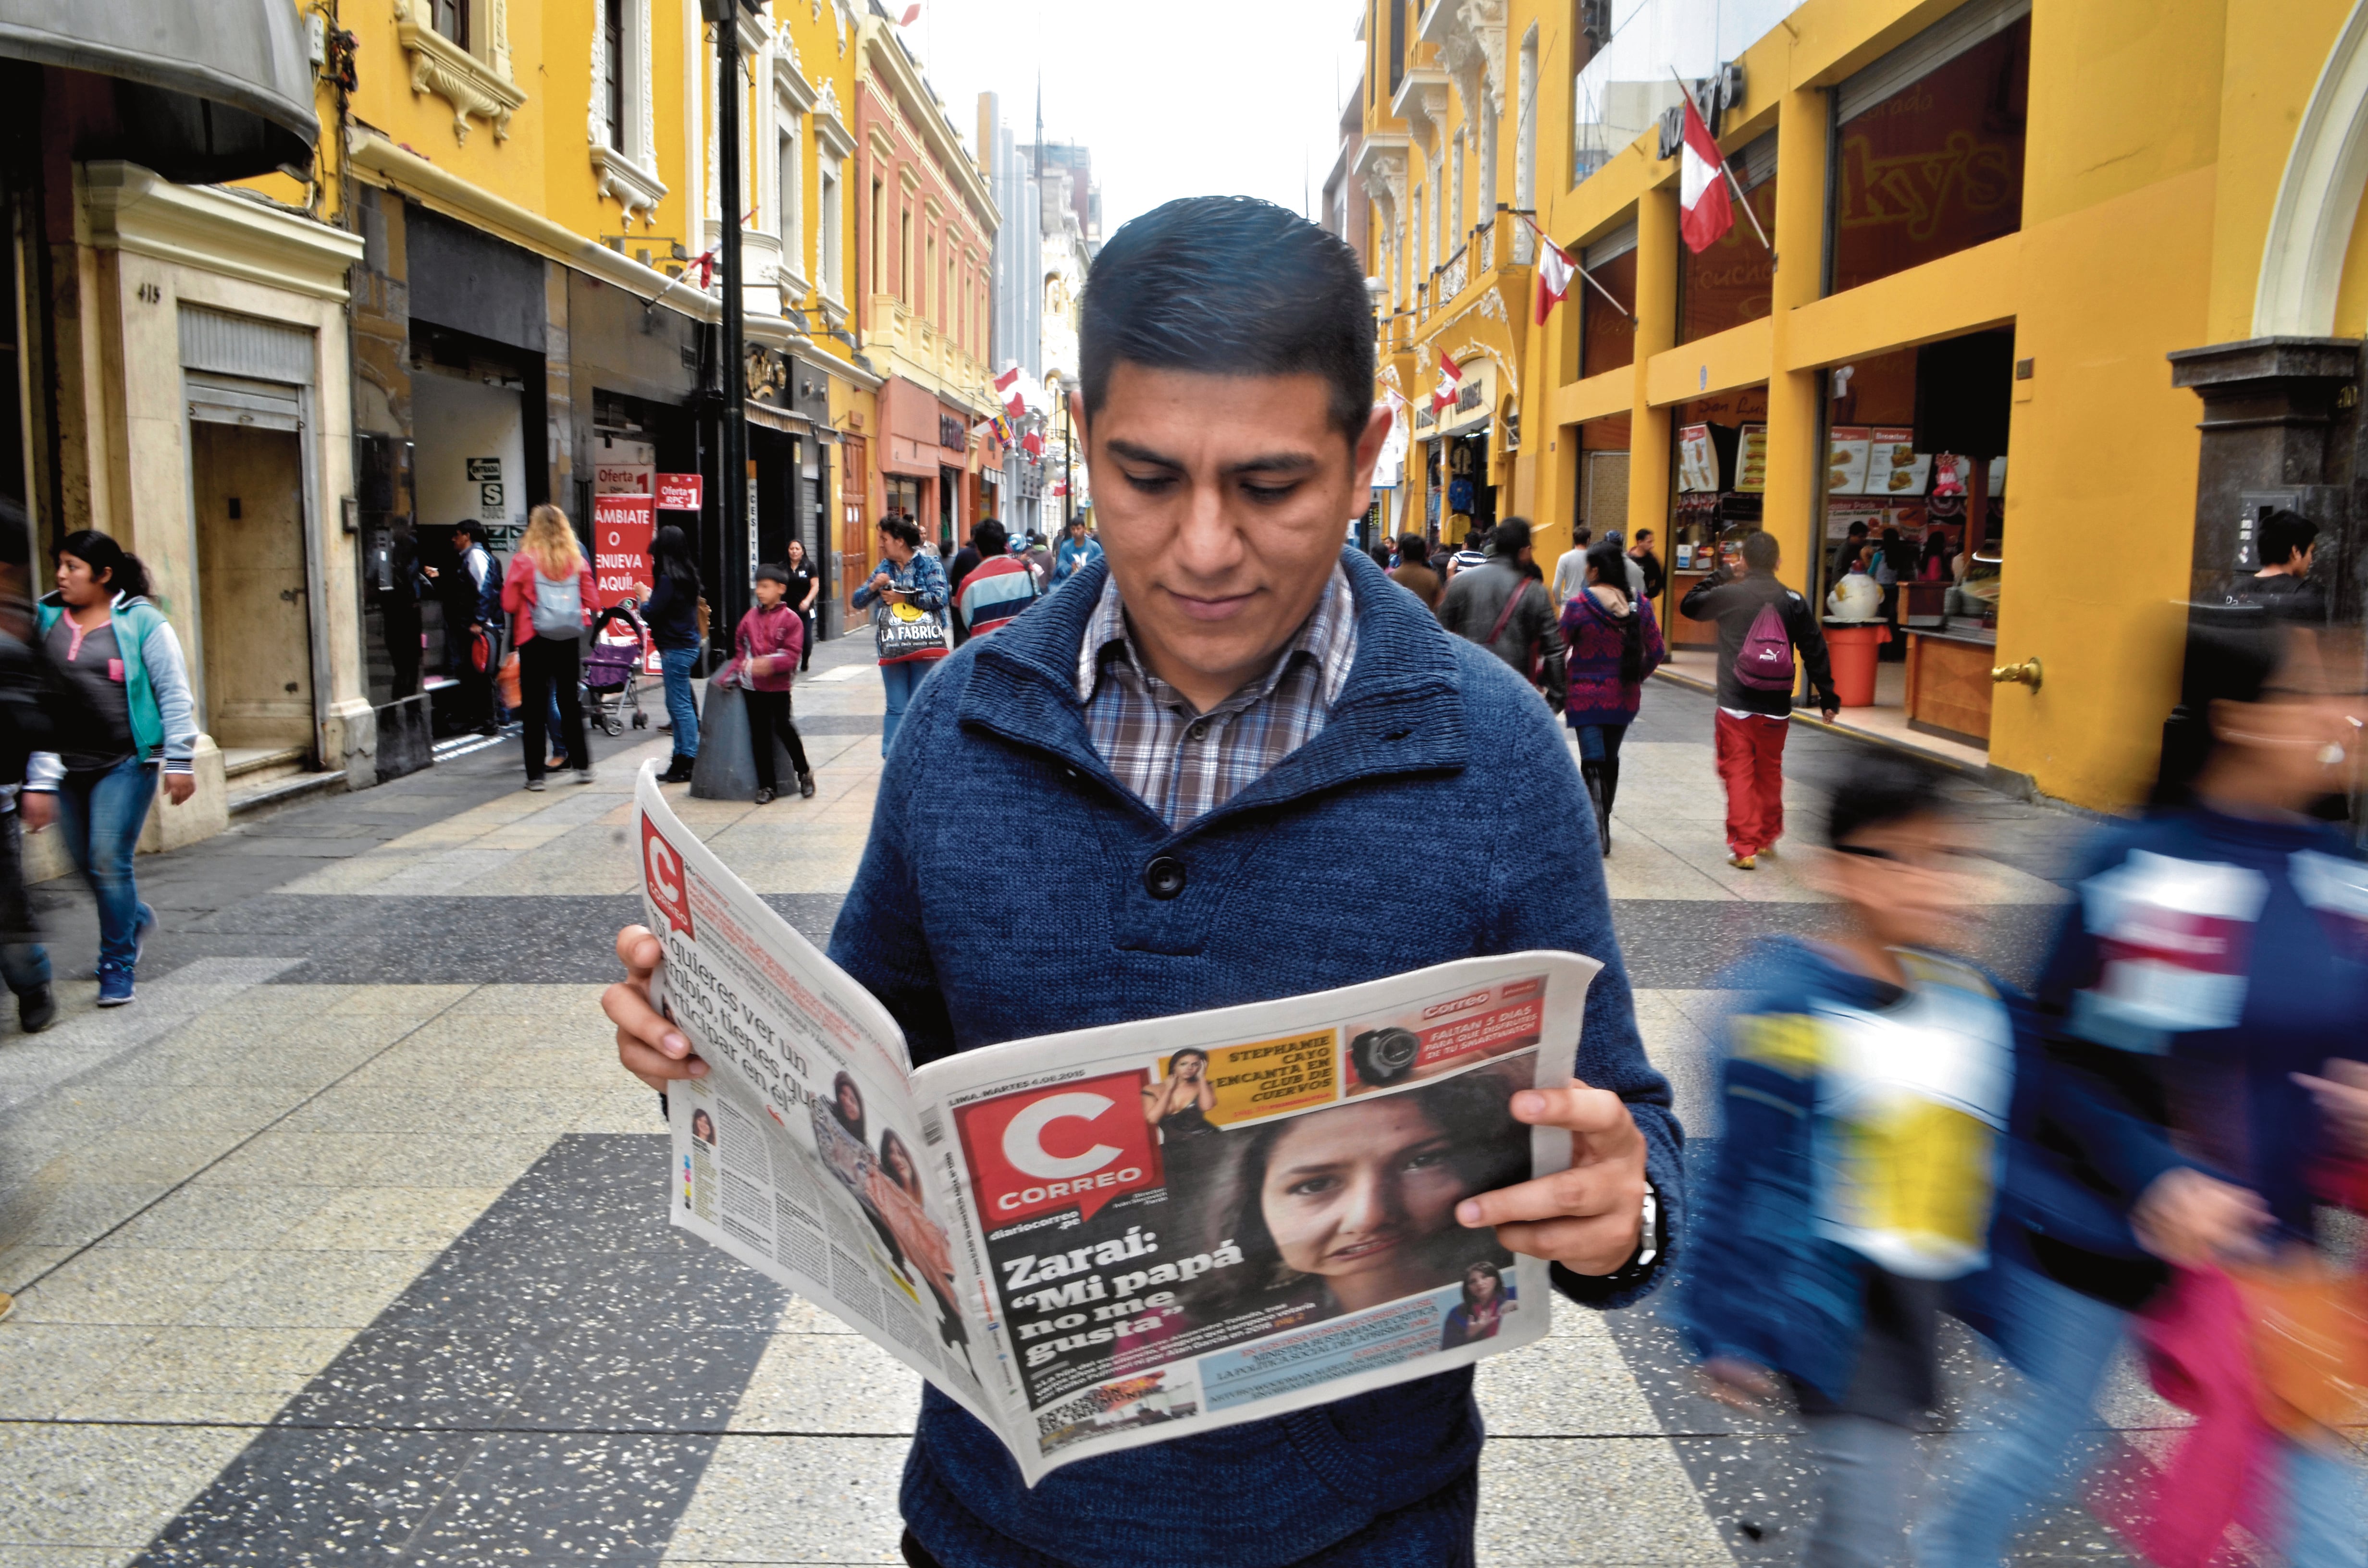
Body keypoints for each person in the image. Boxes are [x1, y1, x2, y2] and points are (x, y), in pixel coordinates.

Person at [606, 194, 1676, 1568]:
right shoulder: (964, 721)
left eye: (1272, 486)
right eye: (1148, 478)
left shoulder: (1496, 753)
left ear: (1366, 459)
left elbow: (1633, 1129)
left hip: (1356, 1535)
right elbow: (874, 1049)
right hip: (998, 1526)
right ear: (1083, 437)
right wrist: (710, 1044)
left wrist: (1624, 1212)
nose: (1206, 547)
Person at [1684, 757, 2134, 1568]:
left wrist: (2123, 1211)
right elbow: (1739, 1171)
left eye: (1952, 858)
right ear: (1840, 869)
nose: (1938, 883)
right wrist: (1723, 1322)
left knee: (2020, 1446)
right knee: (1869, 1507)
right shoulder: (1783, 1007)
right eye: (1907, 858)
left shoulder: (1974, 998)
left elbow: (2027, 1128)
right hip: (1828, 1294)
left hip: (1933, 1279)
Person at [1988, 610, 2367, 1568]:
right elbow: (2053, 1053)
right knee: (2043, 1452)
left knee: (2331, 1528)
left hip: (2269, 1263)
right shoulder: (2142, 867)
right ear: (2238, 717)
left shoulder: (2341, 877)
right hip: (2106, 1238)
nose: (2347, 715)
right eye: (2317, 693)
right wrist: (2153, 1169)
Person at [1174, 1062, 1530, 1329]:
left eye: (1424, 1161)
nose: (1369, 1216)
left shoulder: (1497, 1278)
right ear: (1253, 1207)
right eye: (1315, 1185)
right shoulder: (1171, 1333)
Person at [20, 530, 197, 1008]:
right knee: (84, 867)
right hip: (65, 767)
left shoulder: (143, 622)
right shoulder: (45, 616)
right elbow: (32, 695)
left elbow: (173, 693)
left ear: (103, 575)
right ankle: (134, 918)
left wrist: (180, 761)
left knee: (107, 861)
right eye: (59, 564)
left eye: (72, 567)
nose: (61, 574)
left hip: (123, 761)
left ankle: (116, 964)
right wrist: (35, 774)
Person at [1680, 530, 1840, 870]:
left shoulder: (1730, 595)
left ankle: (1745, 847)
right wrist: (1828, 696)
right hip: (1777, 706)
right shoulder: (1793, 601)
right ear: (1778, 562)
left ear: (1745, 561)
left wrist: (1724, 573)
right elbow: (1815, 648)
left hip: (1735, 701)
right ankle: (1767, 836)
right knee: (1769, 770)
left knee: (1738, 771)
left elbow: (1689, 605)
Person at [1561, 539, 1666, 856]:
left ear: (1593, 570)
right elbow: (1658, 650)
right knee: (1609, 758)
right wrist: (1636, 677)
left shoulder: (1579, 606)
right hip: (1623, 697)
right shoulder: (1641, 606)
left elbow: (1558, 646)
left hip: (1585, 696)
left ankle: (1597, 832)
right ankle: (1603, 820)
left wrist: (1554, 682)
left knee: (1592, 761)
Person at [0, 502, 55, 1040]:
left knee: (9, 912)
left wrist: (39, 782)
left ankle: (32, 984)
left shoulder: (24, 628)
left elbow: (44, 715)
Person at [501, 505, 597, 792]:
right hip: (567, 639)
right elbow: (593, 601)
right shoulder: (576, 561)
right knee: (569, 702)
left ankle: (536, 776)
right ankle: (583, 767)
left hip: (533, 638)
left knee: (534, 707)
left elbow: (507, 604)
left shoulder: (524, 561)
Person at [1437, 516, 1568, 710]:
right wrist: (1556, 700)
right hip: (1516, 695)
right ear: (1525, 550)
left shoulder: (1459, 583)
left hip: (1469, 692)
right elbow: (1555, 650)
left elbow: (1438, 638)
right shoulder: (1535, 591)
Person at [850, 514, 950, 757]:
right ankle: (894, 757)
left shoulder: (930, 565)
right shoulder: (883, 569)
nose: (881, 544)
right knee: (896, 705)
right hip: (893, 644)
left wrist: (905, 597)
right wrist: (874, 587)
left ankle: (921, 754)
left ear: (900, 541)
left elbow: (940, 598)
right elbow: (857, 601)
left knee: (920, 703)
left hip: (925, 644)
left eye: (885, 539)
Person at [732, 564, 814, 804]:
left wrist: (768, 664)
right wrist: (740, 668)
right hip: (753, 687)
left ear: (781, 589)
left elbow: (791, 655)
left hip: (778, 688)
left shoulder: (791, 620)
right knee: (759, 735)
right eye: (758, 586)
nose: (760, 591)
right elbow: (740, 645)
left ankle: (804, 772)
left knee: (784, 727)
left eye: (765, 587)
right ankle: (767, 786)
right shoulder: (750, 618)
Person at [639, 524, 704, 784]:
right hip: (686, 645)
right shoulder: (687, 575)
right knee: (677, 705)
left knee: (679, 706)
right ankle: (681, 757)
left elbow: (650, 613)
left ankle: (688, 758)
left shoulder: (667, 579)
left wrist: (643, 596)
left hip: (676, 649)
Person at [951, 519, 1038, 640]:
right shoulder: (1027, 570)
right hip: (1023, 646)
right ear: (1005, 544)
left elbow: (969, 623)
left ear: (978, 548)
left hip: (986, 649)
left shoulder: (970, 583)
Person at [2245, 505, 2327, 624]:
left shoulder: (2232, 592)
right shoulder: (2306, 594)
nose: (2311, 560)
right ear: (2296, 551)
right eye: (2311, 551)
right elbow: (2308, 641)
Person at [1440, 1262, 1513, 1348]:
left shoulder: (1514, 1294)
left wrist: (1520, 1305)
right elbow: (1447, 1353)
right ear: (1467, 1288)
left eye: (1485, 1277)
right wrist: (1470, 1335)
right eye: (1472, 1282)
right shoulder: (1456, 1314)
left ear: (1496, 1279)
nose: (1479, 1283)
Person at [784, 537, 821, 671]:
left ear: (803, 551)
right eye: (792, 549)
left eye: (797, 549)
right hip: (788, 610)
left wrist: (807, 601)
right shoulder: (783, 567)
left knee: (805, 639)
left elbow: (815, 586)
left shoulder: (809, 566)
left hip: (806, 610)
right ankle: (790, 663)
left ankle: (805, 660)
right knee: (788, 639)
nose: (794, 552)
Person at [947, 525, 985, 648]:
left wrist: (953, 595)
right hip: (982, 596)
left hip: (963, 594)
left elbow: (954, 576)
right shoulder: (985, 555)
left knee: (961, 629)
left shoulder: (963, 553)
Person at [1389, 534, 1443, 611]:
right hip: (1426, 620)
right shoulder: (1432, 577)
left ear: (1402, 553)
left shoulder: (1393, 577)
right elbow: (1440, 604)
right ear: (1424, 553)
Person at [1048, 514, 1101, 588]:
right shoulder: (1065, 546)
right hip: (1071, 585)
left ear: (1084, 529)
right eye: (1073, 529)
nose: (1076, 532)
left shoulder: (1095, 546)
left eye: (1078, 529)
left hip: (1091, 586)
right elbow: (1061, 565)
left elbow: (1101, 566)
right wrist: (1070, 568)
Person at [1549, 526, 1595, 609]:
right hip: (1587, 606)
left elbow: (1556, 586)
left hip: (1568, 604)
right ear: (1588, 540)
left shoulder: (1564, 558)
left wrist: (1559, 602)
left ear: (1574, 539)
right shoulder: (1594, 559)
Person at [1829, 519, 1870, 590]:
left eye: (1865, 537)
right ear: (1852, 535)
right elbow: (1837, 571)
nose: (1864, 539)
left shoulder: (1863, 547)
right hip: (1843, 587)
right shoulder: (1843, 550)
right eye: (1861, 537)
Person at [1629, 528, 1666, 601]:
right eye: (1649, 542)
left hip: (1644, 602)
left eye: (1652, 542)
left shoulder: (1653, 561)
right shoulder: (1628, 559)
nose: (1653, 545)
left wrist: (1649, 598)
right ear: (1640, 542)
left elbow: (1659, 582)